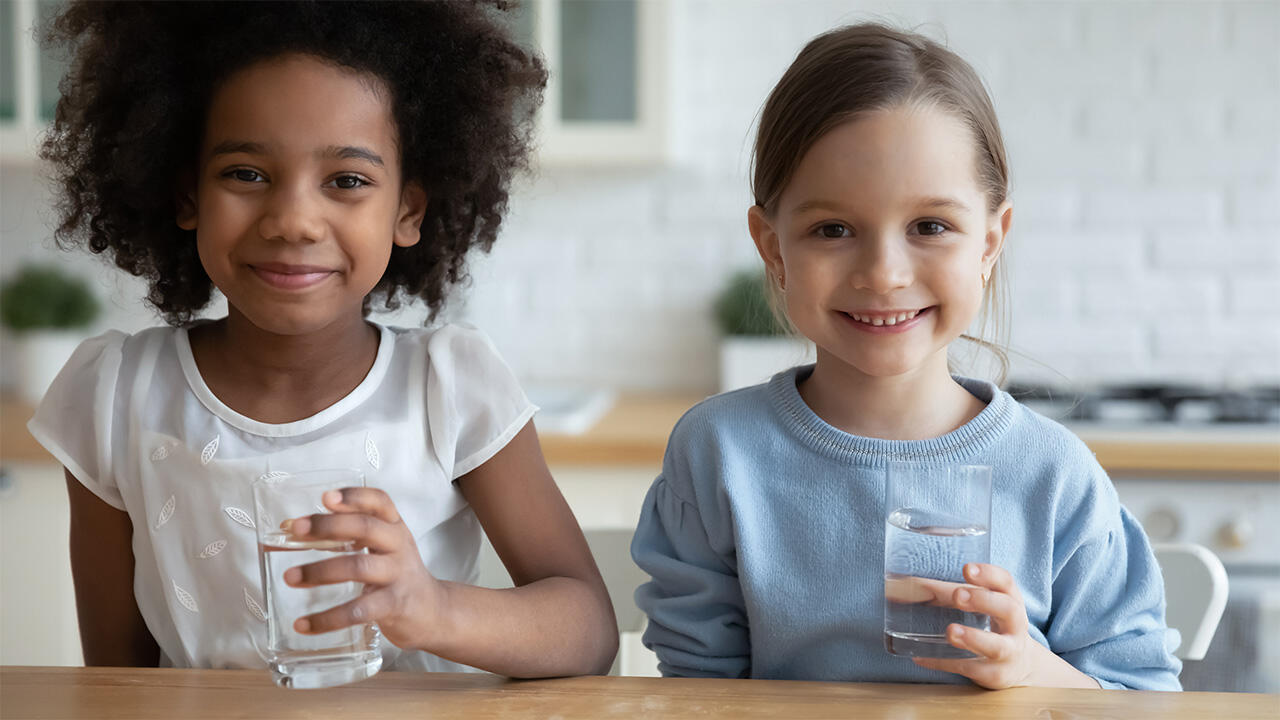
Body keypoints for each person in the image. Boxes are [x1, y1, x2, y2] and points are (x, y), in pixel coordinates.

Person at [29, 0, 618, 677]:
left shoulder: (450, 386)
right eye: (246, 174)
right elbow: (116, 682)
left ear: (408, 210)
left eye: (347, 181)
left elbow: (590, 631)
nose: (293, 221)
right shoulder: (115, 397)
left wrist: (434, 608)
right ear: (186, 193)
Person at [630, 23, 1181, 690]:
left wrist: (1032, 670)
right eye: (832, 229)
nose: (884, 273)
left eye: (931, 227)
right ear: (773, 249)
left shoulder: (1055, 477)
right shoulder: (718, 453)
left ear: (989, 242)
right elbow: (700, 694)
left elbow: (1144, 698)